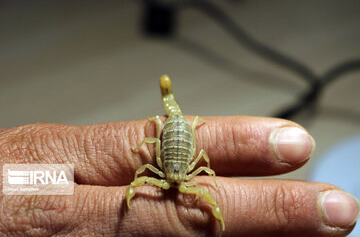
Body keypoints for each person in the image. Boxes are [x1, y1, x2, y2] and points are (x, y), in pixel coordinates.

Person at [0, 116, 358, 236]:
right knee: (41, 186)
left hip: (180, 140)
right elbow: (143, 170)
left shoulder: (190, 169)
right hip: (170, 145)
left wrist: (21, 180)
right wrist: (27, 181)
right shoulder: (157, 172)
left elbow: (200, 162)